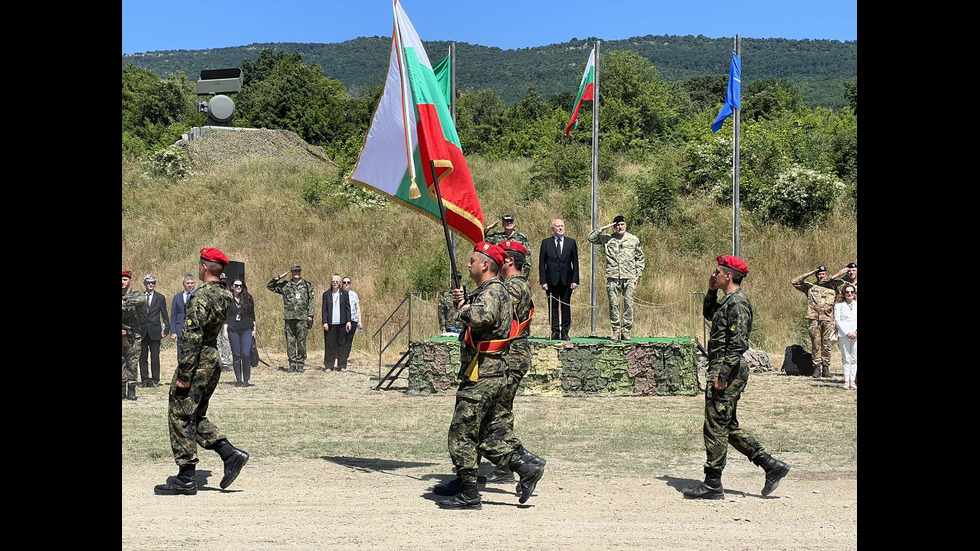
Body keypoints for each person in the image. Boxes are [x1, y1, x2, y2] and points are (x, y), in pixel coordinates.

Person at [435, 242, 546, 510]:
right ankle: (522, 467)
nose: (467, 264)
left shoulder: (495, 291)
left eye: (472, 260)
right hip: (490, 370)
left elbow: (483, 316)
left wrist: (463, 309)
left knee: (462, 432)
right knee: (487, 432)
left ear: (485, 265)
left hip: (484, 372)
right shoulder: (492, 290)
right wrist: (466, 301)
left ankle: (470, 494)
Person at [684, 254, 790, 500]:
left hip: (727, 369)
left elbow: (738, 343)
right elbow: (710, 315)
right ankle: (770, 465)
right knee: (726, 425)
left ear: (728, 275)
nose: (714, 275)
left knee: (714, 425)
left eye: (717, 272)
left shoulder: (738, 303)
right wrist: (710, 292)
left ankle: (712, 484)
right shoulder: (727, 301)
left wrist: (722, 374)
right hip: (724, 367)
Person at [154, 247, 250, 496]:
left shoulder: (201, 296)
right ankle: (230, 455)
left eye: (199, 264)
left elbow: (191, 336)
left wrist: (184, 374)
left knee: (180, 414)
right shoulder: (225, 294)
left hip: (197, 361)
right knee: (195, 415)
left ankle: (186, 476)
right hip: (212, 358)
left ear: (204, 267)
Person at [482, 239, 539, 485]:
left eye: (501, 258)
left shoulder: (514, 288)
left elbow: (496, 313)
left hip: (511, 357)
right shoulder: (512, 285)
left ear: (509, 261)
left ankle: (517, 463)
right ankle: (518, 461)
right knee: (499, 413)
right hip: (511, 356)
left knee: (497, 414)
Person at [587, 215, 645, 341]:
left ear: (626, 225)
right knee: (614, 305)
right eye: (617, 225)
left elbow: (640, 258)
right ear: (614, 226)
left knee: (629, 304)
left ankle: (626, 331)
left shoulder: (633, 239)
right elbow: (591, 238)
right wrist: (604, 227)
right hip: (613, 277)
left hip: (629, 277)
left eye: (622, 224)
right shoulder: (608, 239)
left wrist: (638, 274)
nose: (620, 227)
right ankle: (615, 331)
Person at [791, 265, 839, 378]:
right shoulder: (810, 287)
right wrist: (811, 272)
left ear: (826, 274)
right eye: (819, 274)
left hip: (828, 320)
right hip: (814, 320)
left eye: (823, 274)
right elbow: (795, 281)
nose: (821, 276)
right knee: (816, 344)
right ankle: (816, 367)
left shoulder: (833, 287)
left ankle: (826, 367)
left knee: (827, 344)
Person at [267, 264, 316, 372]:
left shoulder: (307, 285)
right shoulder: (285, 285)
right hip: (289, 317)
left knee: (301, 341)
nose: (296, 273)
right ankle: (292, 363)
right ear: (291, 272)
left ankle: (300, 363)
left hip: (302, 317)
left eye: (298, 271)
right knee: (290, 341)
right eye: (294, 271)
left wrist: (310, 315)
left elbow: (311, 300)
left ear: (301, 272)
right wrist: (279, 277)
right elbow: (270, 286)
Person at [539, 218, 579, 340]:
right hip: (552, 280)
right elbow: (542, 264)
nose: (560, 228)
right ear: (553, 228)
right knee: (553, 306)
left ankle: (565, 332)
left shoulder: (571, 243)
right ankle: (555, 331)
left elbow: (575, 263)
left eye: (562, 226)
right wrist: (543, 281)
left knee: (566, 306)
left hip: (567, 280)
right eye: (558, 226)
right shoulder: (546, 243)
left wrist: (575, 280)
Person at [138, 273, 170, 387]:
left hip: (155, 331)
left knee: (155, 357)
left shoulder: (160, 297)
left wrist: (166, 329)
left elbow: (165, 315)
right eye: (148, 283)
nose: (151, 285)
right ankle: (145, 379)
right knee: (143, 357)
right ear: (144, 283)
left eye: (153, 283)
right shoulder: (140, 297)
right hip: (142, 331)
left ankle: (155, 379)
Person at [224, 279, 257, 387]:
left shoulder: (248, 298)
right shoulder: (228, 299)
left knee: (245, 354)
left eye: (240, 285)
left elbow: (252, 314)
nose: (238, 287)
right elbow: (226, 316)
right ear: (232, 286)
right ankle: (238, 379)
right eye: (236, 285)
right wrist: (225, 330)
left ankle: (246, 379)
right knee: (236, 355)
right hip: (233, 329)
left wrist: (254, 329)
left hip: (246, 329)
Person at [122, 270, 147, 401]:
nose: (122, 282)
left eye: (125, 279)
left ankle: (131, 390)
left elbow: (142, 300)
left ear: (130, 281)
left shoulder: (136, 294)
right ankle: (122, 391)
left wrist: (125, 303)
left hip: (133, 335)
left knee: (132, 362)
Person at [483, 213, 532, 279]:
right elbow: (481, 240)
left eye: (511, 221)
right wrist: (488, 228)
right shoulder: (496, 236)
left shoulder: (521, 238)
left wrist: (524, 276)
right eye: (506, 221)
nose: (509, 223)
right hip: (499, 274)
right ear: (502, 224)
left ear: (514, 224)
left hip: (515, 274)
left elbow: (527, 258)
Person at [321, 274, 351, 372]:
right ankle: (329, 365)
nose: (335, 283)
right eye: (333, 281)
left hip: (342, 323)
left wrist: (348, 321)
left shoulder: (345, 294)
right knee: (330, 344)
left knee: (341, 344)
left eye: (337, 281)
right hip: (330, 323)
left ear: (340, 283)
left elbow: (348, 308)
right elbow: (324, 309)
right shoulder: (326, 294)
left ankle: (342, 365)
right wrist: (325, 322)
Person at [834, 284, 858, 390]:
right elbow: (838, 321)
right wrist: (847, 332)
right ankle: (846, 380)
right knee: (846, 358)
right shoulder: (839, 306)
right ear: (844, 293)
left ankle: (852, 381)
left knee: (854, 358)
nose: (850, 294)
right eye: (847, 292)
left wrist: (855, 332)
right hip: (844, 334)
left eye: (852, 292)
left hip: (856, 334)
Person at [339, 276, 362, 369]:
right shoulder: (339, 293)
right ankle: (339, 358)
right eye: (344, 282)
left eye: (348, 282)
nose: (346, 284)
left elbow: (358, 308)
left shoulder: (354, 294)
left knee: (349, 340)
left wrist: (360, 321)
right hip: (342, 321)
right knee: (341, 340)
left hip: (353, 320)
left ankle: (345, 358)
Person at [170, 274, 196, 349]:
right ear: (183, 284)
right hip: (180, 330)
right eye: (187, 283)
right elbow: (173, 315)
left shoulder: (199, 296)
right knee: (181, 355)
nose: (190, 285)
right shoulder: (177, 297)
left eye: (192, 283)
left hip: (194, 331)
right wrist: (173, 332)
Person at [216, 273, 234, 372]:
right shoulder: (212, 291)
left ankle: (225, 363)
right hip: (215, 321)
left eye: (224, 279)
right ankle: (218, 362)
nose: (222, 281)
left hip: (226, 320)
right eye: (221, 279)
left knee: (226, 341)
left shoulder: (228, 292)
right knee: (217, 342)